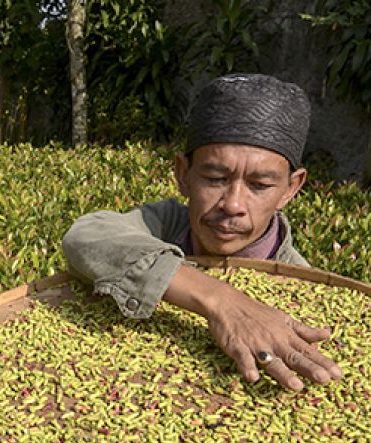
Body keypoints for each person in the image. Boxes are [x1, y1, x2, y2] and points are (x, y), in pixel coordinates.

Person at [62, 73, 344, 393]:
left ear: (290, 189)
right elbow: (86, 236)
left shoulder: (303, 286)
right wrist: (220, 300)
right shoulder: (165, 224)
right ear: (183, 175)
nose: (233, 204)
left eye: (260, 185)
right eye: (214, 178)